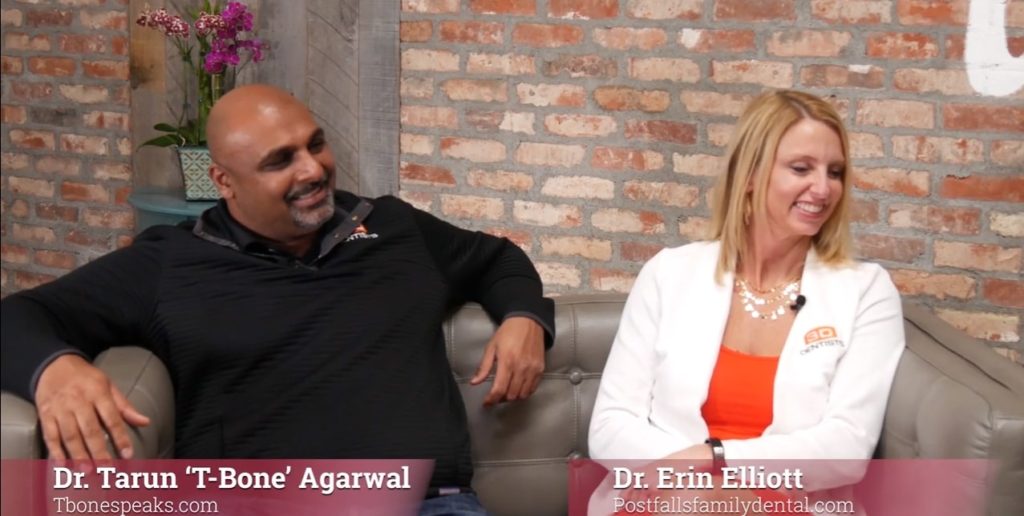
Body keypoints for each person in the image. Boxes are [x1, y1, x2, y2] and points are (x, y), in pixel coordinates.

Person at [1, 84, 554, 514]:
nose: (312, 170)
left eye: (315, 144)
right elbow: (17, 316)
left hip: (431, 505)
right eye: (279, 160)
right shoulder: (170, 262)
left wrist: (524, 318)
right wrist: (55, 370)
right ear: (224, 181)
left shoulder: (392, 227)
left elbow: (498, 259)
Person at [588, 90, 905, 494]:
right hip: (662, 498)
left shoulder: (867, 291)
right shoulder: (669, 272)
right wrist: (693, 489)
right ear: (750, 174)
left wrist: (716, 461)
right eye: (801, 168)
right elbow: (610, 425)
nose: (823, 189)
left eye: (835, 172)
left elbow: (847, 445)